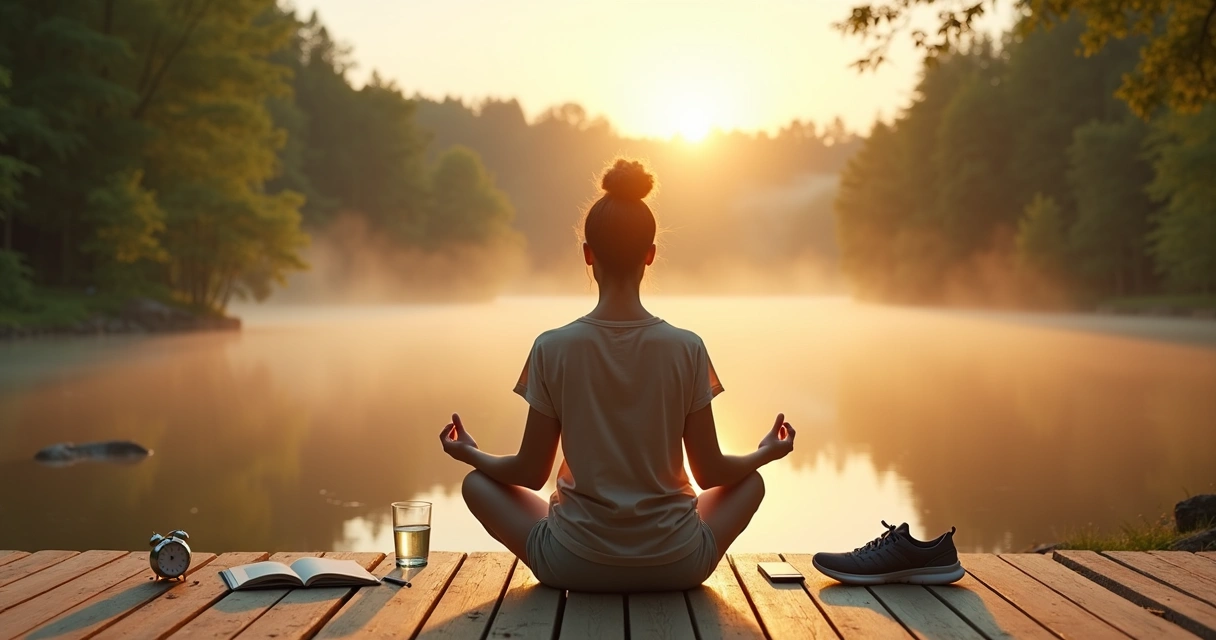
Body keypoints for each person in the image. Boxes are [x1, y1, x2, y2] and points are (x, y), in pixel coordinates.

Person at [437, 158, 795, 592]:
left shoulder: (552, 347)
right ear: (650, 255)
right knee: (750, 483)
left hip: (573, 563)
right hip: (676, 562)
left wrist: (470, 454)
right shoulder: (687, 347)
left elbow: (531, 472)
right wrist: (765, 454)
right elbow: (711, 472)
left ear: (588, 255)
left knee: (478, 484)